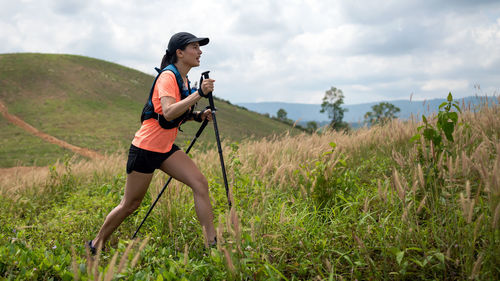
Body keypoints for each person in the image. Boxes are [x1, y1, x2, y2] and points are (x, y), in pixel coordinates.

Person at [87, 32, 217, 254]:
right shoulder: (168, 77)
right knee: (130, 204)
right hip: (145, 149)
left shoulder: (183, 79)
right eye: (194, 47)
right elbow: (167, 113)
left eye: (199, 47)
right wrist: (199, 94)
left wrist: (197, 116)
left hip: (165, 149)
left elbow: (178, 113)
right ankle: (95, 244)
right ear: (179, 52)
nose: (199, 51)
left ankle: (213, 245)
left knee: (200, 183)